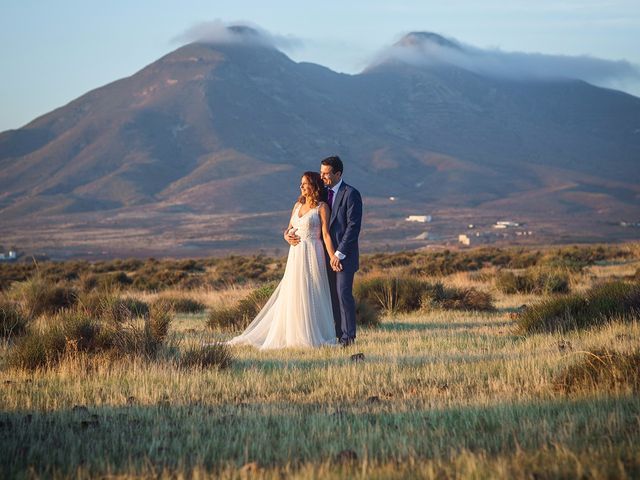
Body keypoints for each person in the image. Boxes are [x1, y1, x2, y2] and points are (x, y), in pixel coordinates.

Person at [227, 172, 337, 349]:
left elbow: (326, 235)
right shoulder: (297, 205)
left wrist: (332, 257)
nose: (301, 186)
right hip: (295, 254)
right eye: (301, 183)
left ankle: (312, 333)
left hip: (312, 252)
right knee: (294, 291)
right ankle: (294, 332)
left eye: (305, 183)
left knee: (311, 291)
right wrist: (286, 237)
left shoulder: (322, 207)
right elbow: (288, 229)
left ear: (315, 186)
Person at [287, 156, 363, 347]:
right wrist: (287, 234)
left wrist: (338, 254)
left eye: (326, 173)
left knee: (343, 294)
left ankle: (348, 339)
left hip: (342, 256)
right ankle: (336, 335)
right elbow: (302, 221)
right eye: (321, 173)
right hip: (320, 256)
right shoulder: (320, 195)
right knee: (329, 297)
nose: (322, 177)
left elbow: (353, 227)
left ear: (338, 174)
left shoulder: (351, 193)